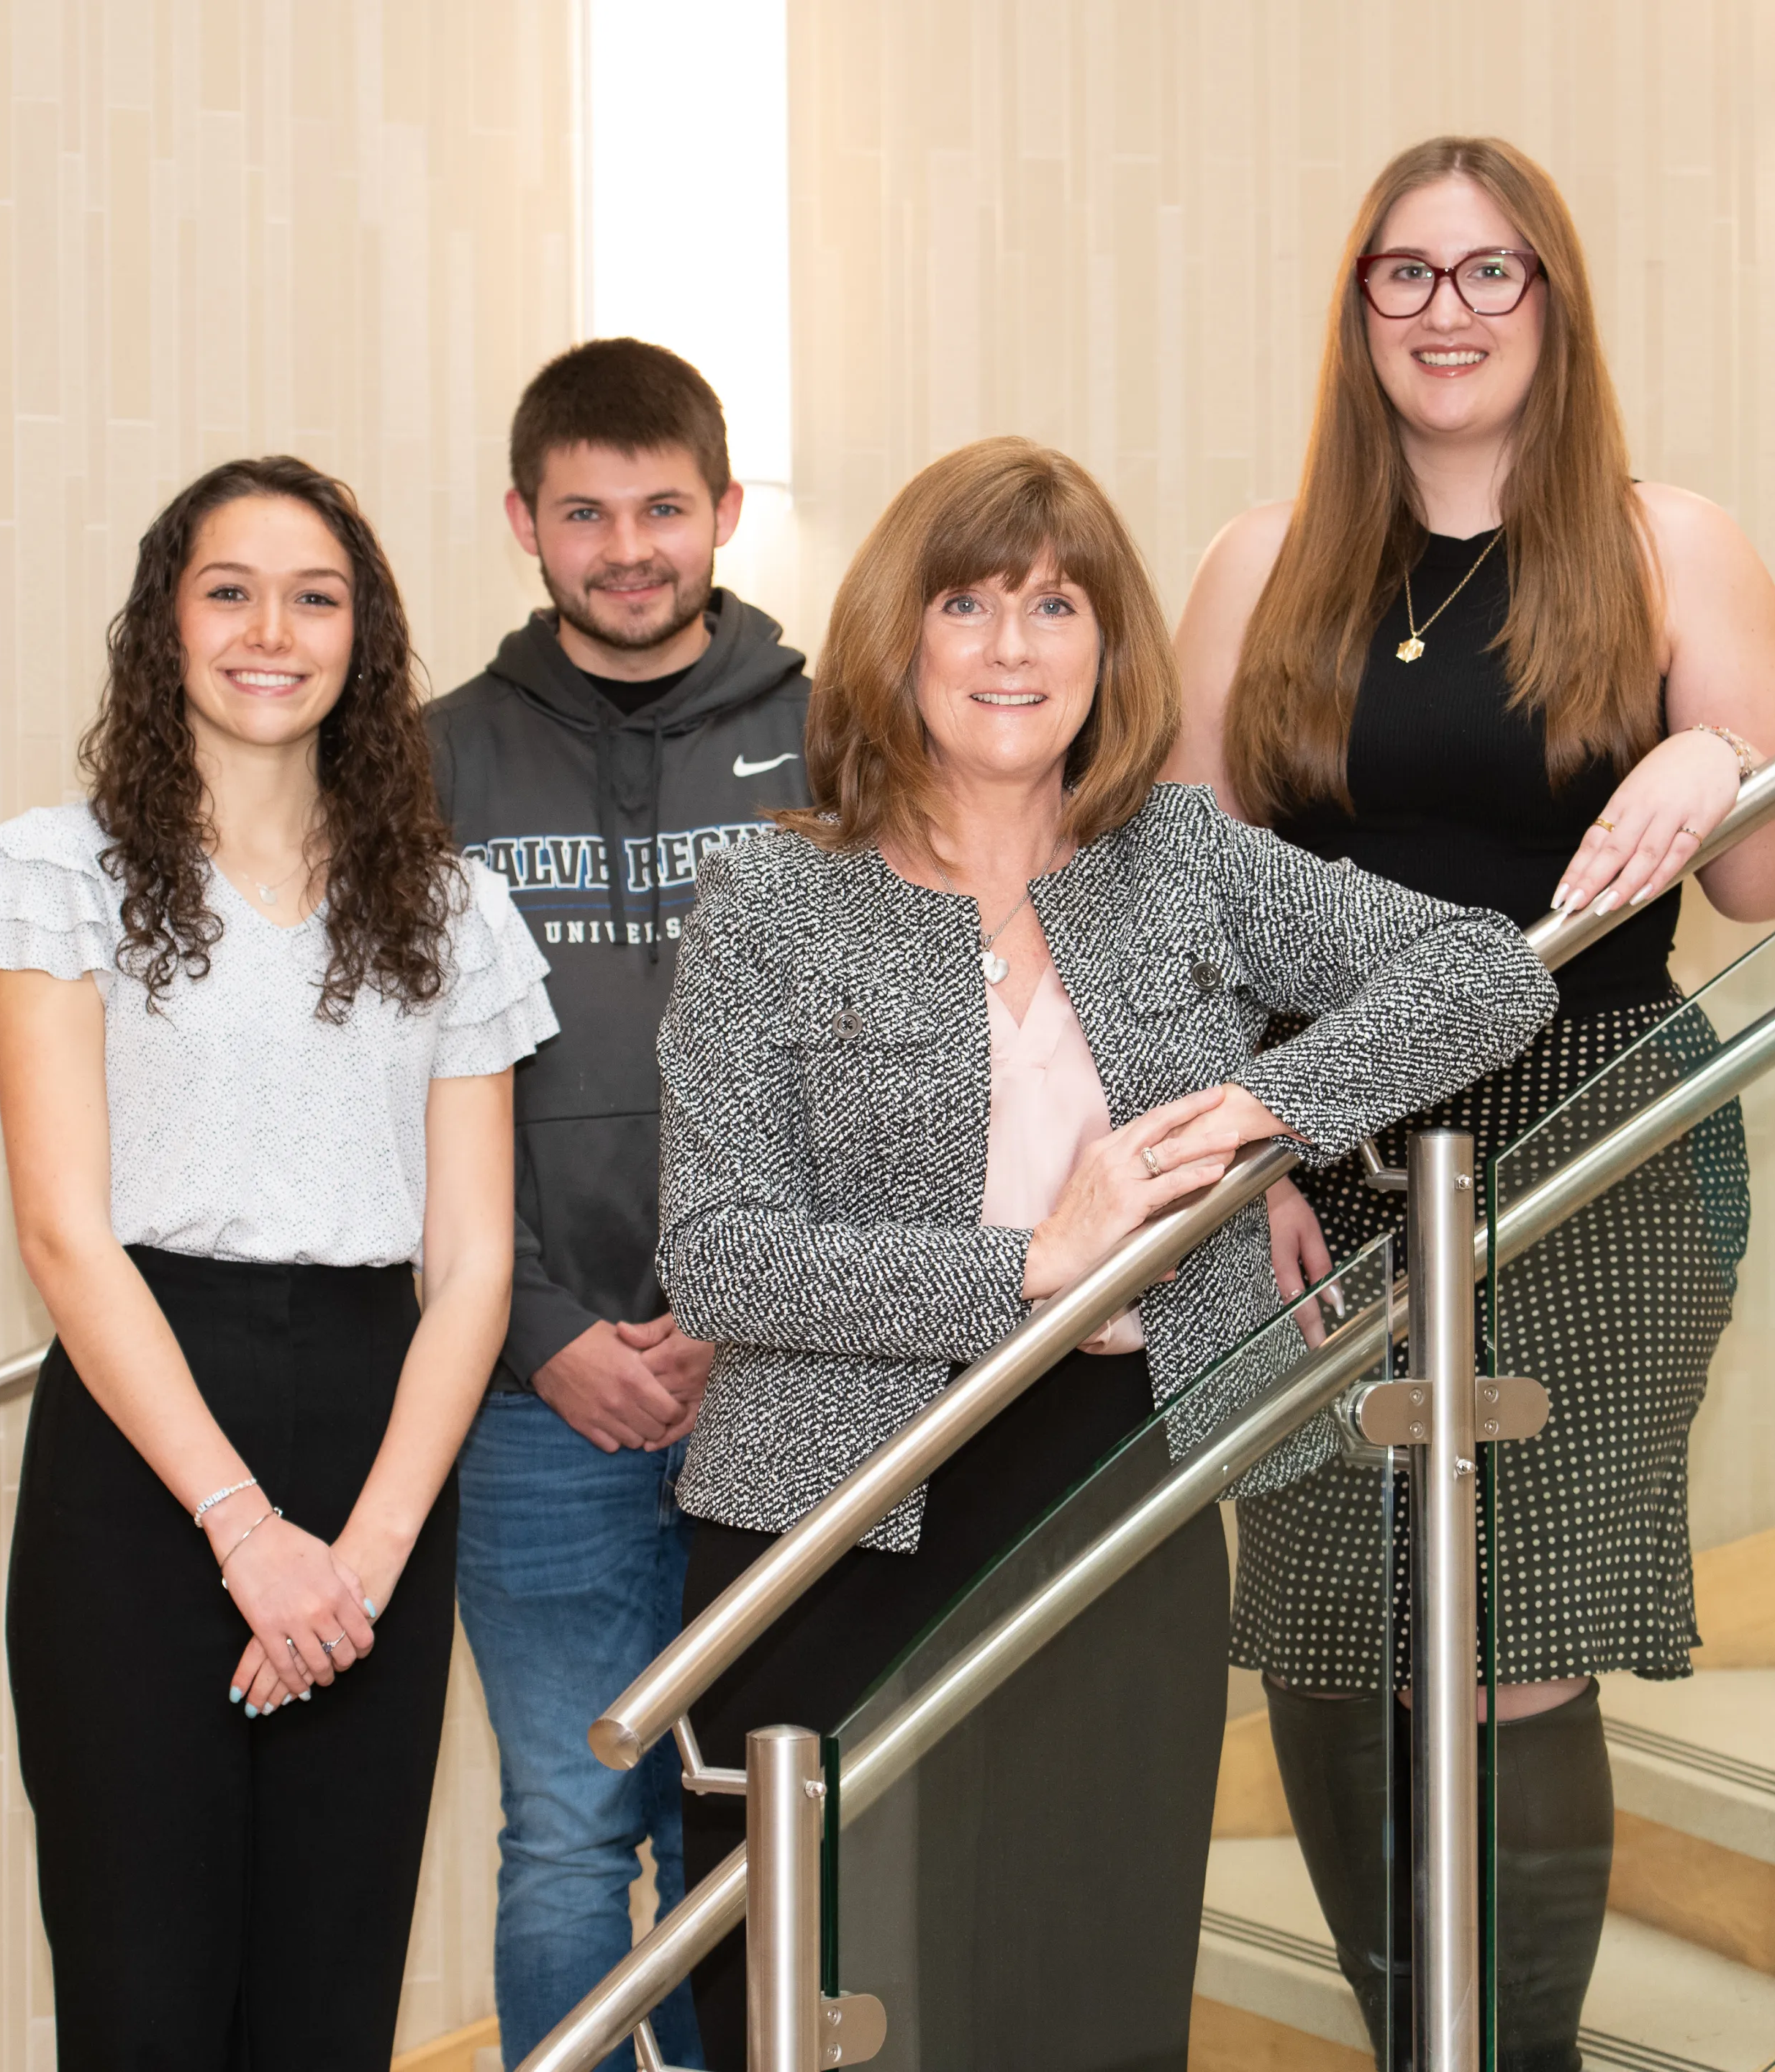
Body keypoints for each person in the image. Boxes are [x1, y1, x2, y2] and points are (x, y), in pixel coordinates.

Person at [655, 435, 1558, 2071]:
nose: (1013, 649)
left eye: (1057, 607)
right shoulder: (769, 900)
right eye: (970, 605)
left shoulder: (1187, 860)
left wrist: (1257, 1112)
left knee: (1087, 1968)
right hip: (832, 1501)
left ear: (1109, 648)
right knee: (831, 1983)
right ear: (897, 638)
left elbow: (1487, 977)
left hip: (1115, 1475)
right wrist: (1027, 1268)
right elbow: (719, 1256)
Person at [1169, 135, 1775, 2070]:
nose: (1447, 312)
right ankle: (1417, 2042)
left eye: (1491, 275)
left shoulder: (1665, 545)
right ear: (1356, 310)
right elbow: (1184, 907)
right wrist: (1244, 1152)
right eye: (1406, 274)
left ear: (1552, 304)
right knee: (1320, 1619)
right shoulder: (1260, 558)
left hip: (1593, 1130)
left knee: (1510, 1642)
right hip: (1319, 1146)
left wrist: (1723, 749)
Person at [0, 456, 556, 2068]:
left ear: (366, 635)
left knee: (328, 1998)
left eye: (316, 595)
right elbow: (65, 1235)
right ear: (166, 625)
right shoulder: (56, 877)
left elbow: (477, 1262)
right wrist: (245, 1531)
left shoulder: (452, 905)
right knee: (145, 1992)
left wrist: (358, 1553)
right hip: (143, 1458)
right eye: (229, 590)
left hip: (383, 1455)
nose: (270, 630)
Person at [423, 339, 809, 2072]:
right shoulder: (430, 770)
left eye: (664, 507)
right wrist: (540, 1331)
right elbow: (400, 1101)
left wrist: (758, 1315)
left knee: (760, 1826)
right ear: (524, 522)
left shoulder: (839, 735)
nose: (628, 545)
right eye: (586, 512)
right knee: (569, 1831)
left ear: (726, 511)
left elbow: (904, 1053)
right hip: (527, 1409)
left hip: (799, 1386)